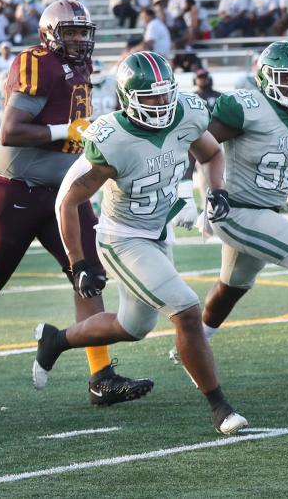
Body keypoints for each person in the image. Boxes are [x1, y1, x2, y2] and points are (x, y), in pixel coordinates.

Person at [36, 51, 247, 434]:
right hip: (123, 238)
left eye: (166, 95)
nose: (162, 104)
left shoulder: (185, 113)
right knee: (185, 309)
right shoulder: (112, 138)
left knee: (133, 326)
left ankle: (56, 340)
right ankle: (220, 406)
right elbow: (69, 200)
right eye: (151, 97)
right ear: (128, 98)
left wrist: (217, 191)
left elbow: (213, 153)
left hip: (158, 232)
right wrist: (78, 262)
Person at [0, 0, 153, 405]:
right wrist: (66, 129)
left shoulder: (83, 67)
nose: (77, 40)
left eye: (81, 32)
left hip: (64, 196)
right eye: (69, 32)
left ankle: (100, 376)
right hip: (16, 190)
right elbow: (10, 131)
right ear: (49, 33)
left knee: (88, 274)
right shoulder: (37, 63)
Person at [185, 41, 288, 388]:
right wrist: (194, 195)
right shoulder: (244, 107)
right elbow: (200, 146)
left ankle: (192, 343)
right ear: (264, 77)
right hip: (235, 209)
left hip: (265, 209)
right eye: (284, 77)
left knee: (231, 288)